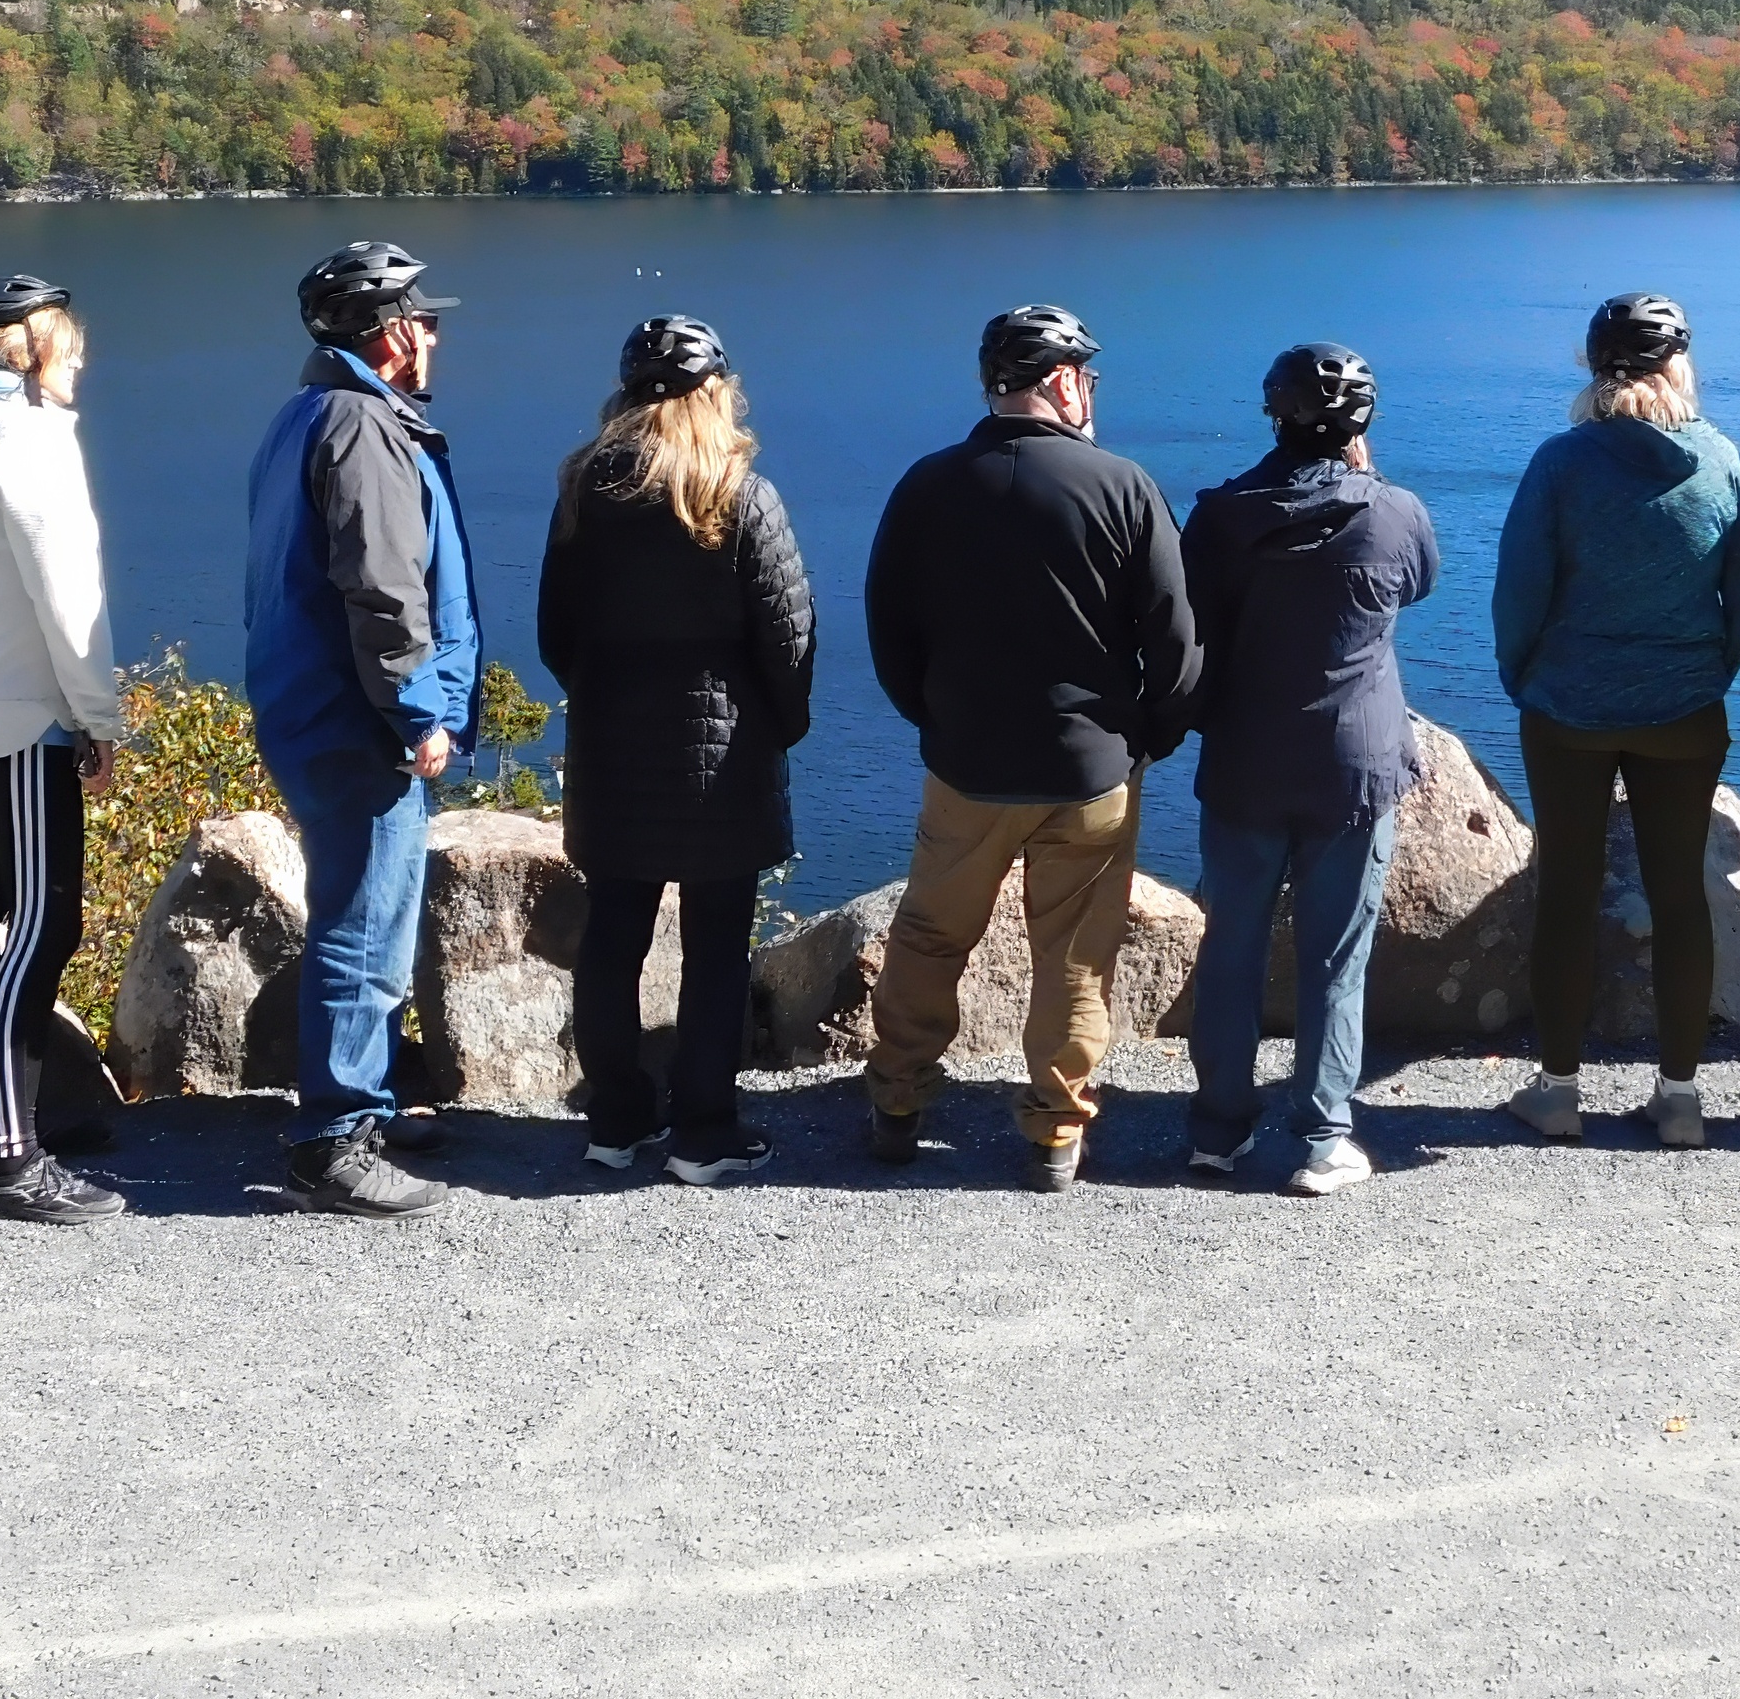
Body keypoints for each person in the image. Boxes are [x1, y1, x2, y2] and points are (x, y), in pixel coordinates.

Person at [856, 304, 1202, 1190]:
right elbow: (1174, 641)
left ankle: (897, 1099)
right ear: (1059, 382)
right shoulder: (1124, 485)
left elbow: (889, 630)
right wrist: (1146, 740)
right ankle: (1056, 1132)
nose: (1090, 389)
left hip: (966, 764)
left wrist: (931, 720)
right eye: (1085, 374)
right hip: (1089, 770)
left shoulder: (928, 485)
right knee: (1077, 954)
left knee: (931, 935)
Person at [535, 316, 816, 1187]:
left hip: (613, 756)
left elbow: (555, 634)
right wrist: (778, 725)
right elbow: (790, 636)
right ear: (716, 393)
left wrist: (605, 696)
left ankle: (616, 1121)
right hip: (721, 764)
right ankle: (703, 1129)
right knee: (716, 947)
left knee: (613, 937)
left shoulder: (583, 489)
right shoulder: (740, 493)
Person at [1489, 292, 1740, 1150]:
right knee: (1680, 894)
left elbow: (1519, 592)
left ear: (1594, 368)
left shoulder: (1563, 463)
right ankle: (1680, 1101)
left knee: (1566, 892)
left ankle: (1558, 1092)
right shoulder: (1719, 460)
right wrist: (1707, 671)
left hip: (1567, 709)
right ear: (1679, 364)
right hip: (1685, 707)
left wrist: (1525, 677)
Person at [241, 240, 478, 1218]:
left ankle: (362, 1103)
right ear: (390, 335)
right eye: (424, 319)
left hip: (315, 707)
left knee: (368, 910)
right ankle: (332, 1140)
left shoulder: (310, 415)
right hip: (357, 723)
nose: (434, 335)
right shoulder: (361, 429)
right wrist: (419, 709)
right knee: (365, 924)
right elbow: (380, 588)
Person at [1178, 343, 1439, 1198]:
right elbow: (1418, 586)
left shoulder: (1219, 517)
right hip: (1354, 767)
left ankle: (1217, 1128)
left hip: (1245, 759)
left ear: (1274, 413)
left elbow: (1190, 620)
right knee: (1336, 955)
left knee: (1231, 947)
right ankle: (1324, 1134)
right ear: (1363, 424)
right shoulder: (1395, 512)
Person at [0, 272, 133, 1226]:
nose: (80, 355)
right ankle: (12, 1154)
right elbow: (69, 601)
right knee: (43, 924)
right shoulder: (29, 441)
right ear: (27, 348)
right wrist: (100, 719)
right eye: (67, 340)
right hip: (23, 720)